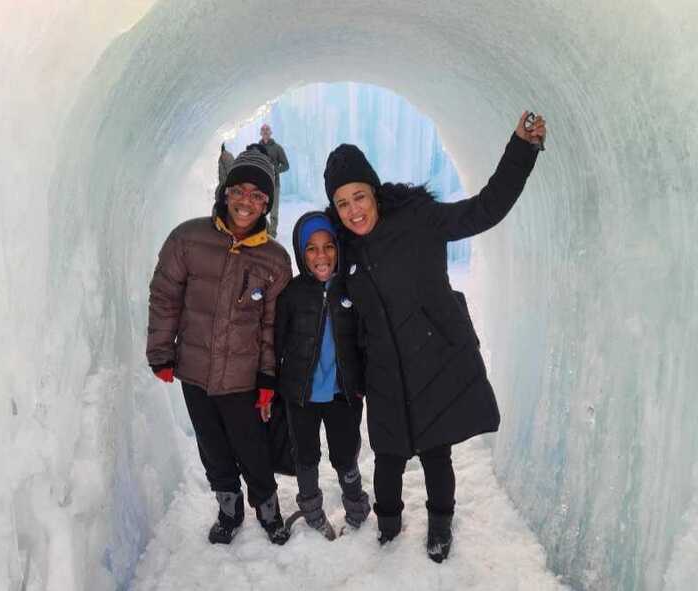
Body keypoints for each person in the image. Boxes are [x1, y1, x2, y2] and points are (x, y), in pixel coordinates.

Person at [322, 112, 547, 562]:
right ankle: (388, 526)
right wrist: (355, 379)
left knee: (435, 452)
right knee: (386, 456)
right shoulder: (345, 251)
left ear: (375, 192)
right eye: (343, 203)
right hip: (384, 371)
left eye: (359, 196)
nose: (354, 210)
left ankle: (441, 523)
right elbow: (346, 323)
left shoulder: (419, 219)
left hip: (432, 358)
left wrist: (522, 148)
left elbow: (485, 208)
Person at [147, 149, 293, 546]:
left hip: (243, 378)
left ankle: (268, 508)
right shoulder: (187, 238)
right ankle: (228, 507)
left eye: (258, 196)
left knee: (253, 448)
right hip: (194, 370)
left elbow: (270, 327)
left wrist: (267, 377)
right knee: (213, 446)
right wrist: (161, 351)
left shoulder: (275, 260)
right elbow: (165, 296)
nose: (247, 201)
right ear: (225, 192)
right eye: (240, 191)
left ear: (267, 204)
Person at [274, 212, 371, 539]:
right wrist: (270, 385)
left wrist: (364, 382)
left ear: (338, 249)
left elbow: (366, 341)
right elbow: (275, 341)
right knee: (306, 455)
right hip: (301, 394)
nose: (321, 256)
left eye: (328, 246)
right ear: (302, 255)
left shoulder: (352, 289)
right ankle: (312, 511)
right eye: (312, 249)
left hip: (343, 393)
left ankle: (356, 506)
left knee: (345, 454)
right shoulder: (293, 293)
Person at [259, 123, 290, 238]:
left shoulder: (277, 148)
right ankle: (264, 230)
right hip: (261, 184)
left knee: (273, 210)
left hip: (274, 184)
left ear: (270, 132)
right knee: (260, 207)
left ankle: (272, 233)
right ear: (260, 133)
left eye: (267, 129)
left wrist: (275, 170)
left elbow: (286, 165)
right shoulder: (258, 148)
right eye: (263, 130)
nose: (265, 131)